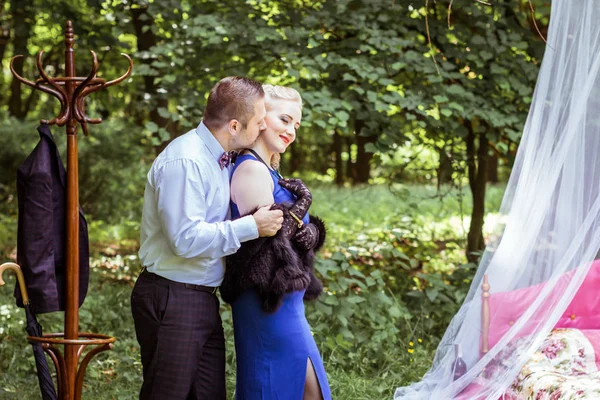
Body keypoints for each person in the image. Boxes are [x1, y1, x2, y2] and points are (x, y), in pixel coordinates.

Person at [131, 76, 284, 400]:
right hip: (173, 295)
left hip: (200, 297)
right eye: (258, 122)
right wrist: (251, 227)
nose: (261, 129)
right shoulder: (186, 160)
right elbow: (184, 239)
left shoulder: (221, 157)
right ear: (233, 125)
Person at [221, 84, 332, 400]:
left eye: (296, 125)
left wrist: (312, 232)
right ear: (259, 118)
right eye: (284, 120)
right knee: (284, 390)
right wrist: (302, 205)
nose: (291, 131)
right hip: (266, 304)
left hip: (286, 303)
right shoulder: (252, 171)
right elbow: (269, 250)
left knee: (310, 393)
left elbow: (289, 237)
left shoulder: (267, 172)